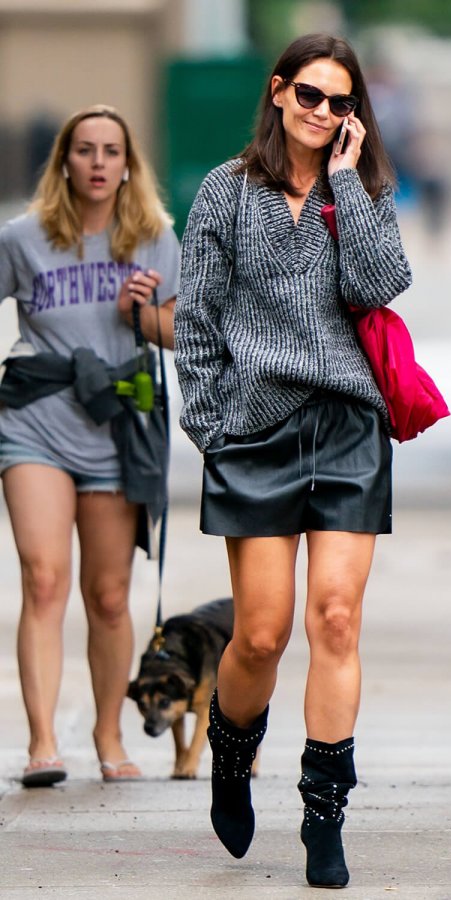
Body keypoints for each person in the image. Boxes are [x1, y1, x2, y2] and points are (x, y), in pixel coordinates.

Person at [175, 34, 412, 888]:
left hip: (348, 424)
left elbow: (381, 285)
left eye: (341, 103)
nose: (322, 113)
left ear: (355, 116)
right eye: (309, 95)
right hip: (256, 432)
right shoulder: (224, 192)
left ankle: (324, 816)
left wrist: (348, 182)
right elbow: (196, 319)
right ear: (278, 93)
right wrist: (212, 426)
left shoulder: (363, 190)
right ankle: (232, 758)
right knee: (262, 633)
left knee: (336, 619)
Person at [0, 104, 180, 787]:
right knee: (43, 578)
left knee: (108, 596)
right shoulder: (23, 238)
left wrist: (140, 311)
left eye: (111, 150)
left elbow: (183, 333)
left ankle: (108, 735)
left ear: (128, 163)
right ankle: (43, 742)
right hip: (36, 419)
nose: (99, 162)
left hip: (116, 427)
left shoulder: (155, 239)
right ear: (64, 162)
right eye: (85, 150)